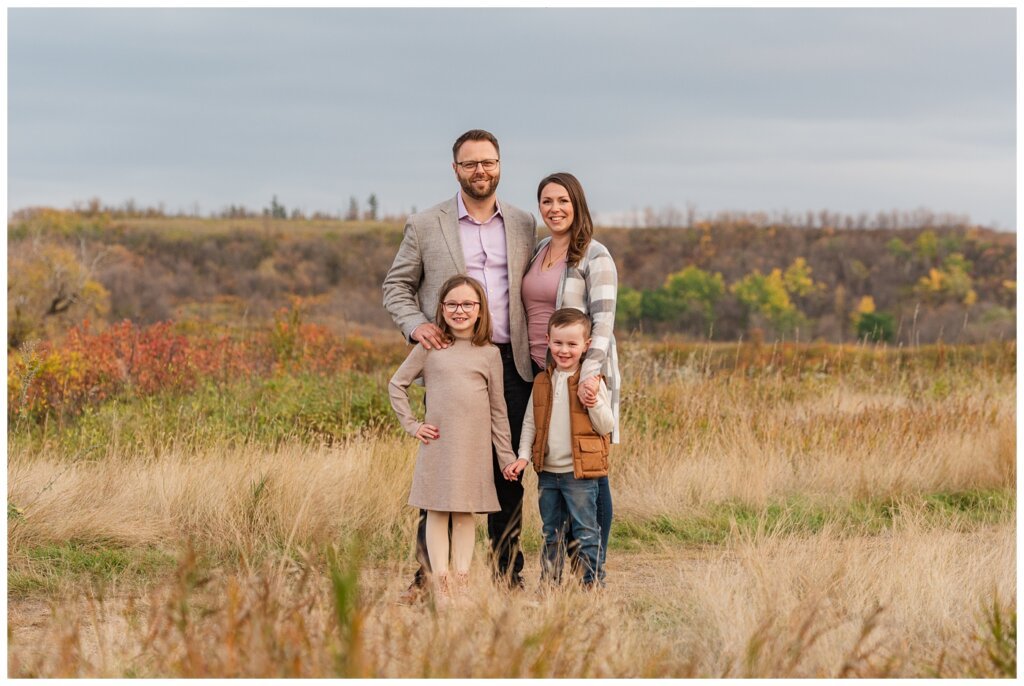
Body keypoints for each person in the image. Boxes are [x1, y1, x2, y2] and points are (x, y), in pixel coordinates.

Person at [382, 129, 537, 594]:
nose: (480, 171)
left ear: (500, 165)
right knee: (444, 473)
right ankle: (428, 578)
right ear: (456, 169)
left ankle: (509, 576)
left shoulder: (524, 223)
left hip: (511, 361)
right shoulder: (426, 224)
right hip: (451, 362)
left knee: (506, 475)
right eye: (470, 163)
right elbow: (396, 287)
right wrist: (416, 326)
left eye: (488, 162)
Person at [389, 275, 518, 602]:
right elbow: (397, 385)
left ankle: (461, 585)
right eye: (452, 304)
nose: (459, 311)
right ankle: (441, 585)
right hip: (439, 446)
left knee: (465, 513)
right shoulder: (430, 348)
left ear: (480, 310)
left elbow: (498, 409)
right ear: (442, 308)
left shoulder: (488, 354)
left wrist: (505, 456)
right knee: (436, 511)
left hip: (473, 449)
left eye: (467, 304)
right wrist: (413, 425)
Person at [520, 172, 620, 582]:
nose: (554, 208)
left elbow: (604, 320)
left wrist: (589, 375)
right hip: (542, 373)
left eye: (563, 200)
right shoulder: (540, 250)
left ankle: (592, 565)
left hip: (581, 371)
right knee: (556, 463)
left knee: (590, 468)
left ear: (577, 205)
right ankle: (560, 570)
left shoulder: (594, 255)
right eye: (546, 201)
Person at [503, 308, 613, 588]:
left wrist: (594, 403)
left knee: (586, 531)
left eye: (572, 344)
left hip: (579, 474)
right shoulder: (542, 381)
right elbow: (530, 422)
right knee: (552, 533)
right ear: (548, 341)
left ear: (586, 346)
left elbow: (606, 426)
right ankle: (550, 585)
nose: (564, 350)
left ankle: (593, 584)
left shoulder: (591, 381)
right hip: (548, 473)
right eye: (558, 343)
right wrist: (524, 456)